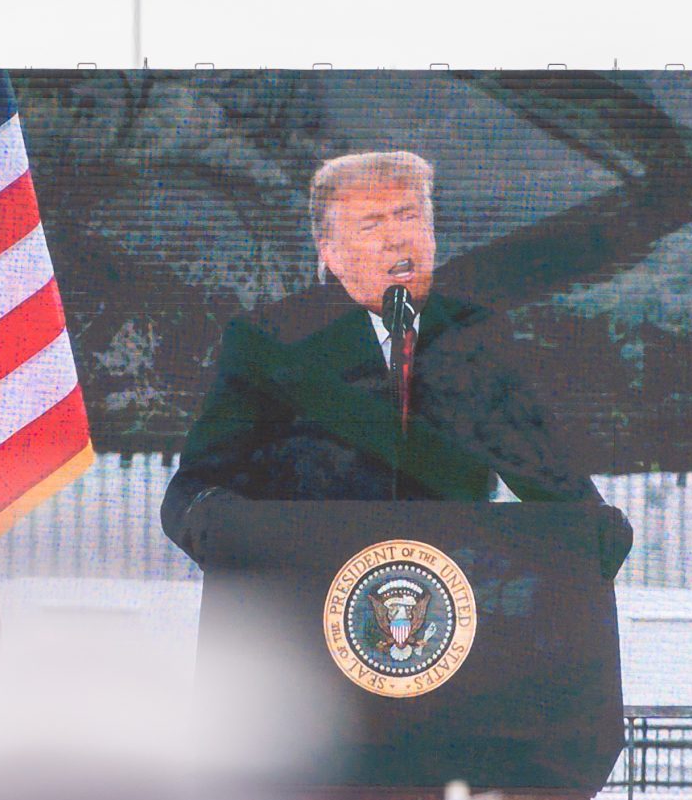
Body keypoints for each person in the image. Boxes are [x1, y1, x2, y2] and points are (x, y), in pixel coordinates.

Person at [161, 149, 627, 573]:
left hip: (449, 614)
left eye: (408, 218)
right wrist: (254, 544)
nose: (396, 240)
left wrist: (597, 533)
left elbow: (556, 489)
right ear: (331, 255)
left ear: (431, 233)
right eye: (372, 225)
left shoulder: (476, 336)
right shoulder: (269, 341)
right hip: (308, 603)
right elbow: (191, 496)